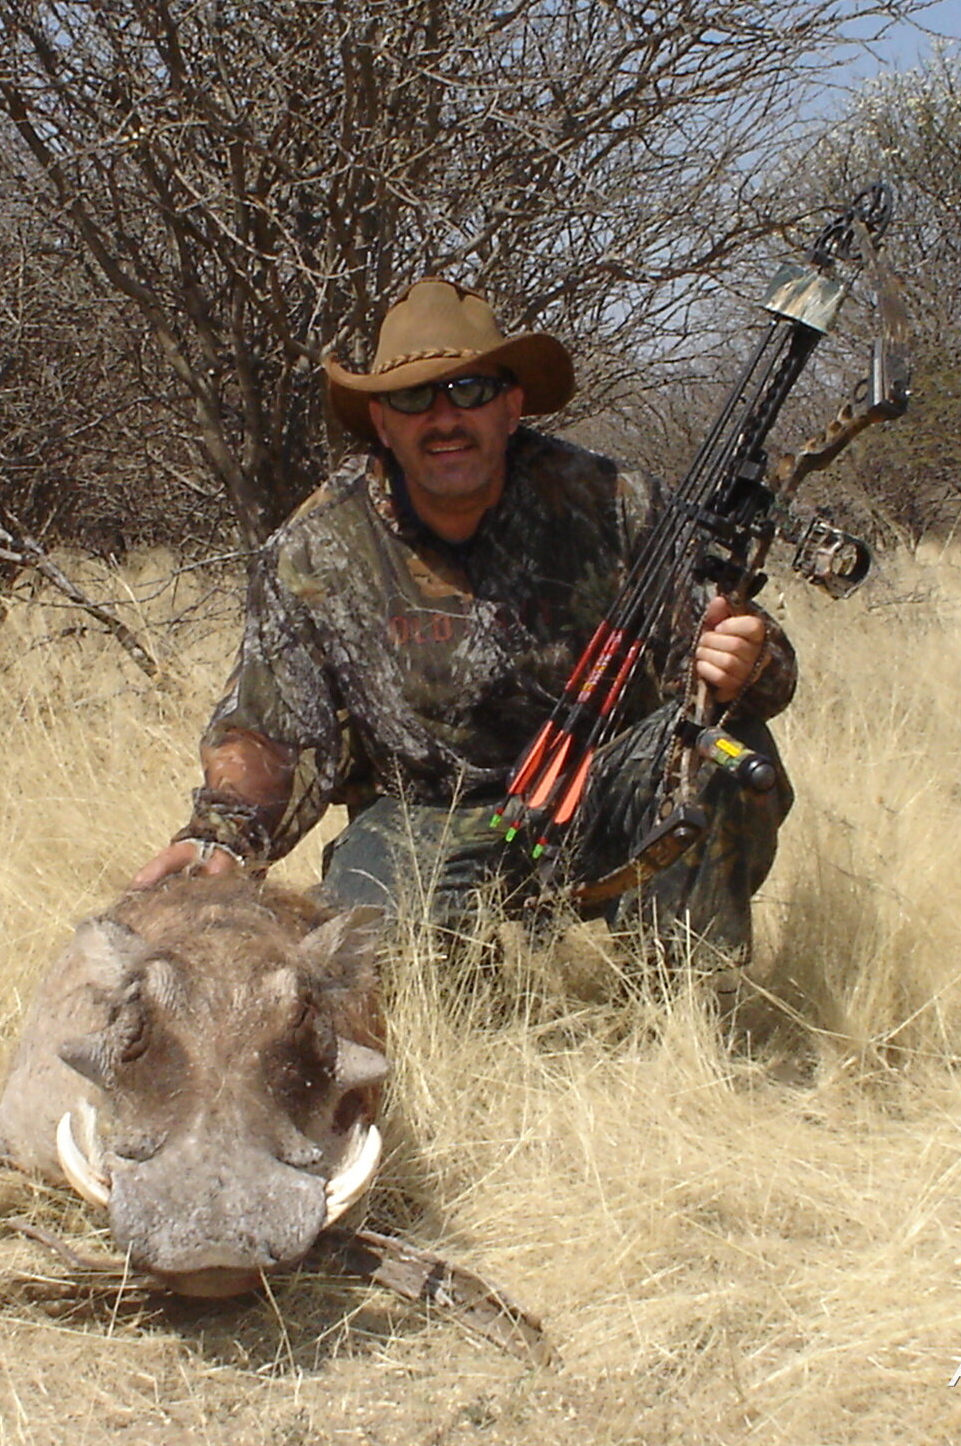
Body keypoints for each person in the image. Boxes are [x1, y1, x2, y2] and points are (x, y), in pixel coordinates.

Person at [132, 278, 795, 974]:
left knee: (724, 757)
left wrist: (749, 661)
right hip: (422, 818)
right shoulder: (315, 548)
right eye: (414, 397)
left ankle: (683, 1011)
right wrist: (223, 840)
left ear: (512, 406)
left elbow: (742, 669)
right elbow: (271, 728)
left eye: (470, 390)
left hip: (594, 792)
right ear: (382, 422)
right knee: (365, 975)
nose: (444, 418)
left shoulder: (616, 505)